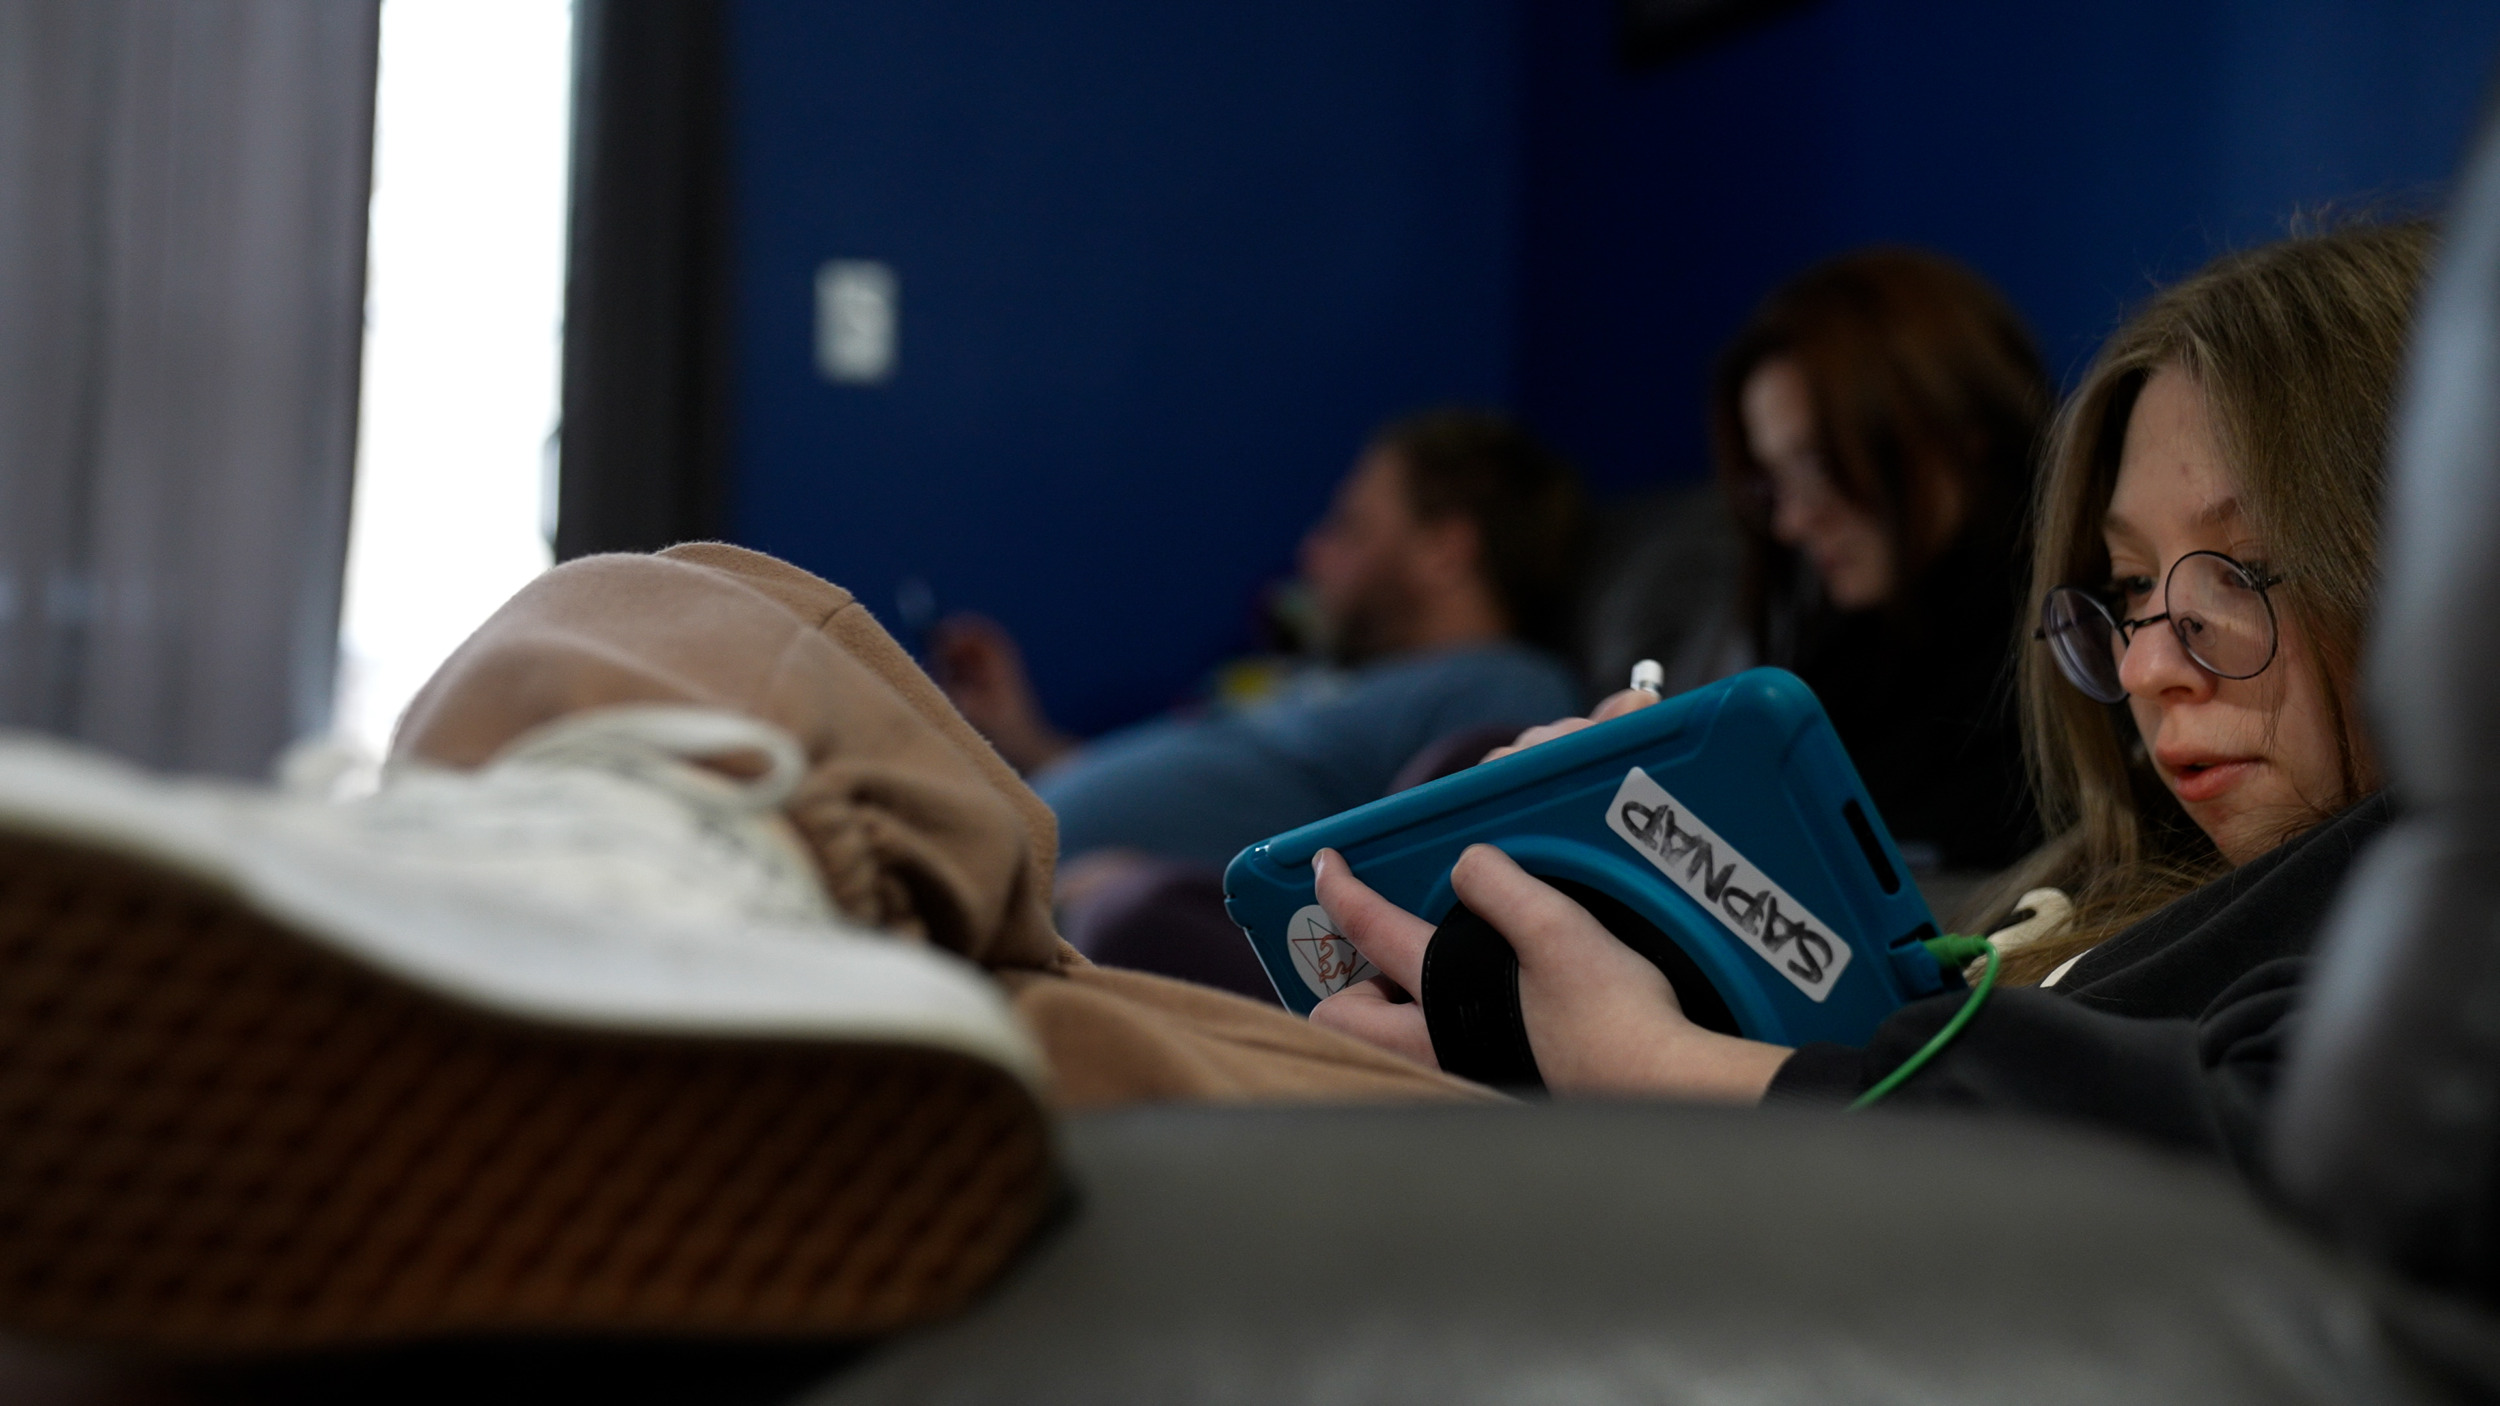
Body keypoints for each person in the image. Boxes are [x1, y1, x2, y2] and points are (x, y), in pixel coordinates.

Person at [1313, 221, 2432, 1176]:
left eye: (2239, 568)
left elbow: (2271, 1141)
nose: (2141, 665)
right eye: (2131, 584)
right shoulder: (2117, 871)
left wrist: (1650, 1064)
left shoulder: (2428, 926)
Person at [933, 408, 1587, 875]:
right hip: (989, 847)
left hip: (1034, 890)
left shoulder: (1503, 684)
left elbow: (1434, 881)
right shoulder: (1343, 684)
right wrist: (1027, 742)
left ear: (1445, 552)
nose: (1313, 550)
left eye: (1351, 527)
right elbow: (1210, 799)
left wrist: (1172, 894)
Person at [1676, 249, 2050, 874]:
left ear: (1958, 427)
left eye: (1821, 463)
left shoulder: (2068, 655)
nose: (1792, 522)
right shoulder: (1844, 653)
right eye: (1774, 481)